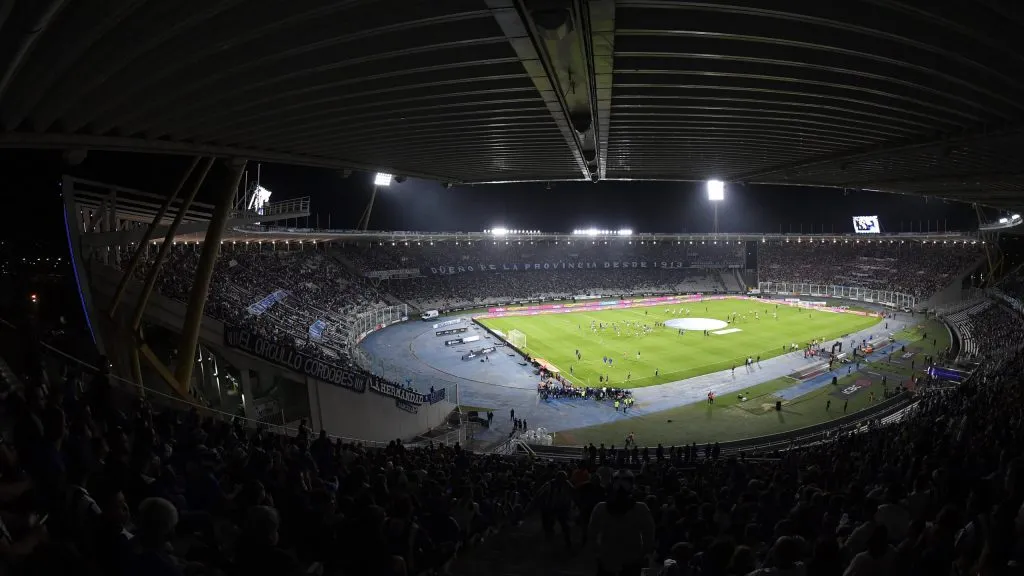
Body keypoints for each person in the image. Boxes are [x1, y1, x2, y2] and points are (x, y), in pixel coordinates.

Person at [587, 470, 655, 576]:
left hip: (611, 559)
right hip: (627, 559)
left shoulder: (600, 508)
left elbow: (592, 534)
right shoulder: (641, 508)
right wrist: (642, 554)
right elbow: (649, 535)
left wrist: (598, 554)